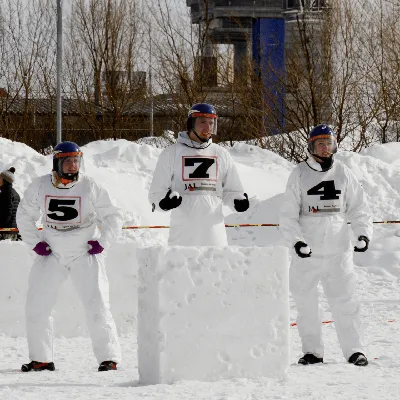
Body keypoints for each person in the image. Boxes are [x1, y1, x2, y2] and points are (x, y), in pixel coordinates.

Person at [17, 141, 122, 372]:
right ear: (57, 163)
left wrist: (103, 243)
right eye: (68, 161)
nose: (74, 166)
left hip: (84, 252)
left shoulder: (90, 186)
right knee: (37, 305)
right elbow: (24, 214)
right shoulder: (40, 185)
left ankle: (109, 358)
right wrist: (35, 243)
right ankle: (41, 358)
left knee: (97, 304)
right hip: (51, 252)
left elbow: (113, 216)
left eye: (77, 161)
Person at [279, 124, 373, 367]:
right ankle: (312, 352)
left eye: (328, 142)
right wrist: (297, 242)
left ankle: (354, 350)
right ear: (311, 146)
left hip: (338, 253)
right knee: (306, 303)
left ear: (334, 145)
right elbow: (288, 214)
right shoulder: (299, 174)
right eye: (320, 143)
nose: (325, 147)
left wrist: (362, 234)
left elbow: (359, 207)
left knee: (345, 301)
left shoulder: (343, 172)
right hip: (307, 255)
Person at [148, 103, 249, 246]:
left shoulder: (221, 154)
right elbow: (155, 194)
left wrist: (237, 201)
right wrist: (164, 203)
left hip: (215, 237)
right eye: (202, 122)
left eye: (211, 123)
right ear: (191, 124)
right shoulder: (171, 153)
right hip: (182, 238)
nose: (207, 128)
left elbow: (232, 191)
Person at [0, 167, 20, 241]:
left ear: (5, 181)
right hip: (12, 231)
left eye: (0, 178)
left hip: (4, 233)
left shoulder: (6, 193)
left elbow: (6, 213)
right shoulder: (15, 193)